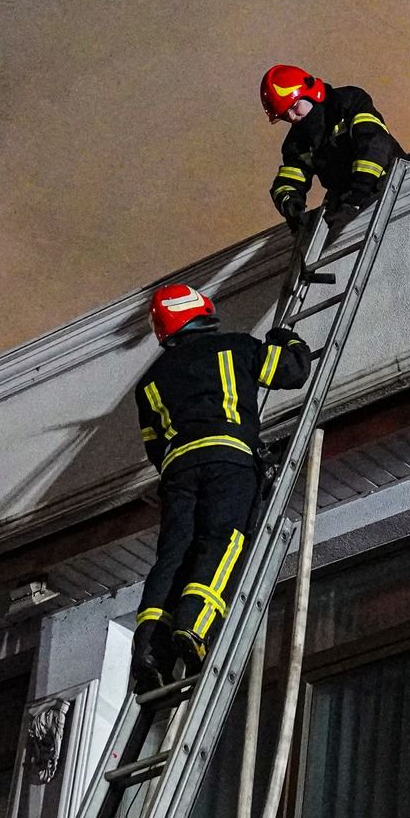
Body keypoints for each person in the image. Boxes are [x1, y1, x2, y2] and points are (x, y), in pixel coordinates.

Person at [130, 282, 311, 694]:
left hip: (178, 474)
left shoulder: (150, 384)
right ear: (200, 311)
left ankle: (148, 649)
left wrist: (183, 467)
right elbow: (294, 372)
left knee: (173, 555)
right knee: (224, 539)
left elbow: (155, 446)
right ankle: (194, 625)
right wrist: (287, 337)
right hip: (229, 461)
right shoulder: (236, 348)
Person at [260, 64, 405, 231]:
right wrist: (290, 206)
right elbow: (289, 179)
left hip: (392, 181)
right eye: (285, 115)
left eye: (293, 107)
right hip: (349, 201)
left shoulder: (349, 102)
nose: (292, 117)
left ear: (310, 93)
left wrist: (358, 192)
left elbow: (375, 144)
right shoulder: (297, 141)